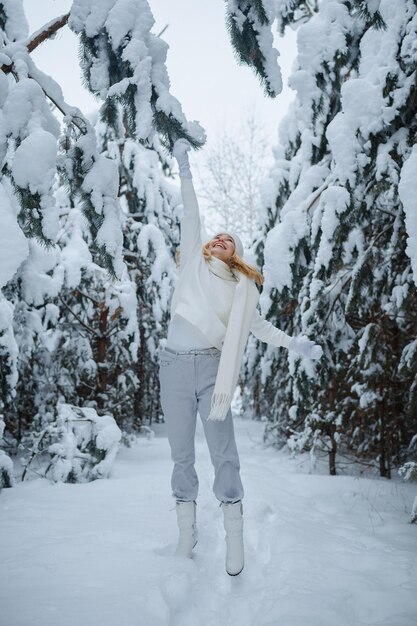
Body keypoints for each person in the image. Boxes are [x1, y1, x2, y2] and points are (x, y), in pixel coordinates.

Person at [159, 138, 322, 576]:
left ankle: (234, 536)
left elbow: (259, 328)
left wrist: (294, 343)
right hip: (173, 365)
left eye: (230, 239)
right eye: (218, 236)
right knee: (180, 455)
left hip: (212, 369)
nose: (220, 237)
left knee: (223, 453)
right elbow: (191, 214)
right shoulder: (192, 262)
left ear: (238, 254)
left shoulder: (242, 291)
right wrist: (186, 169)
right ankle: (186, 533)